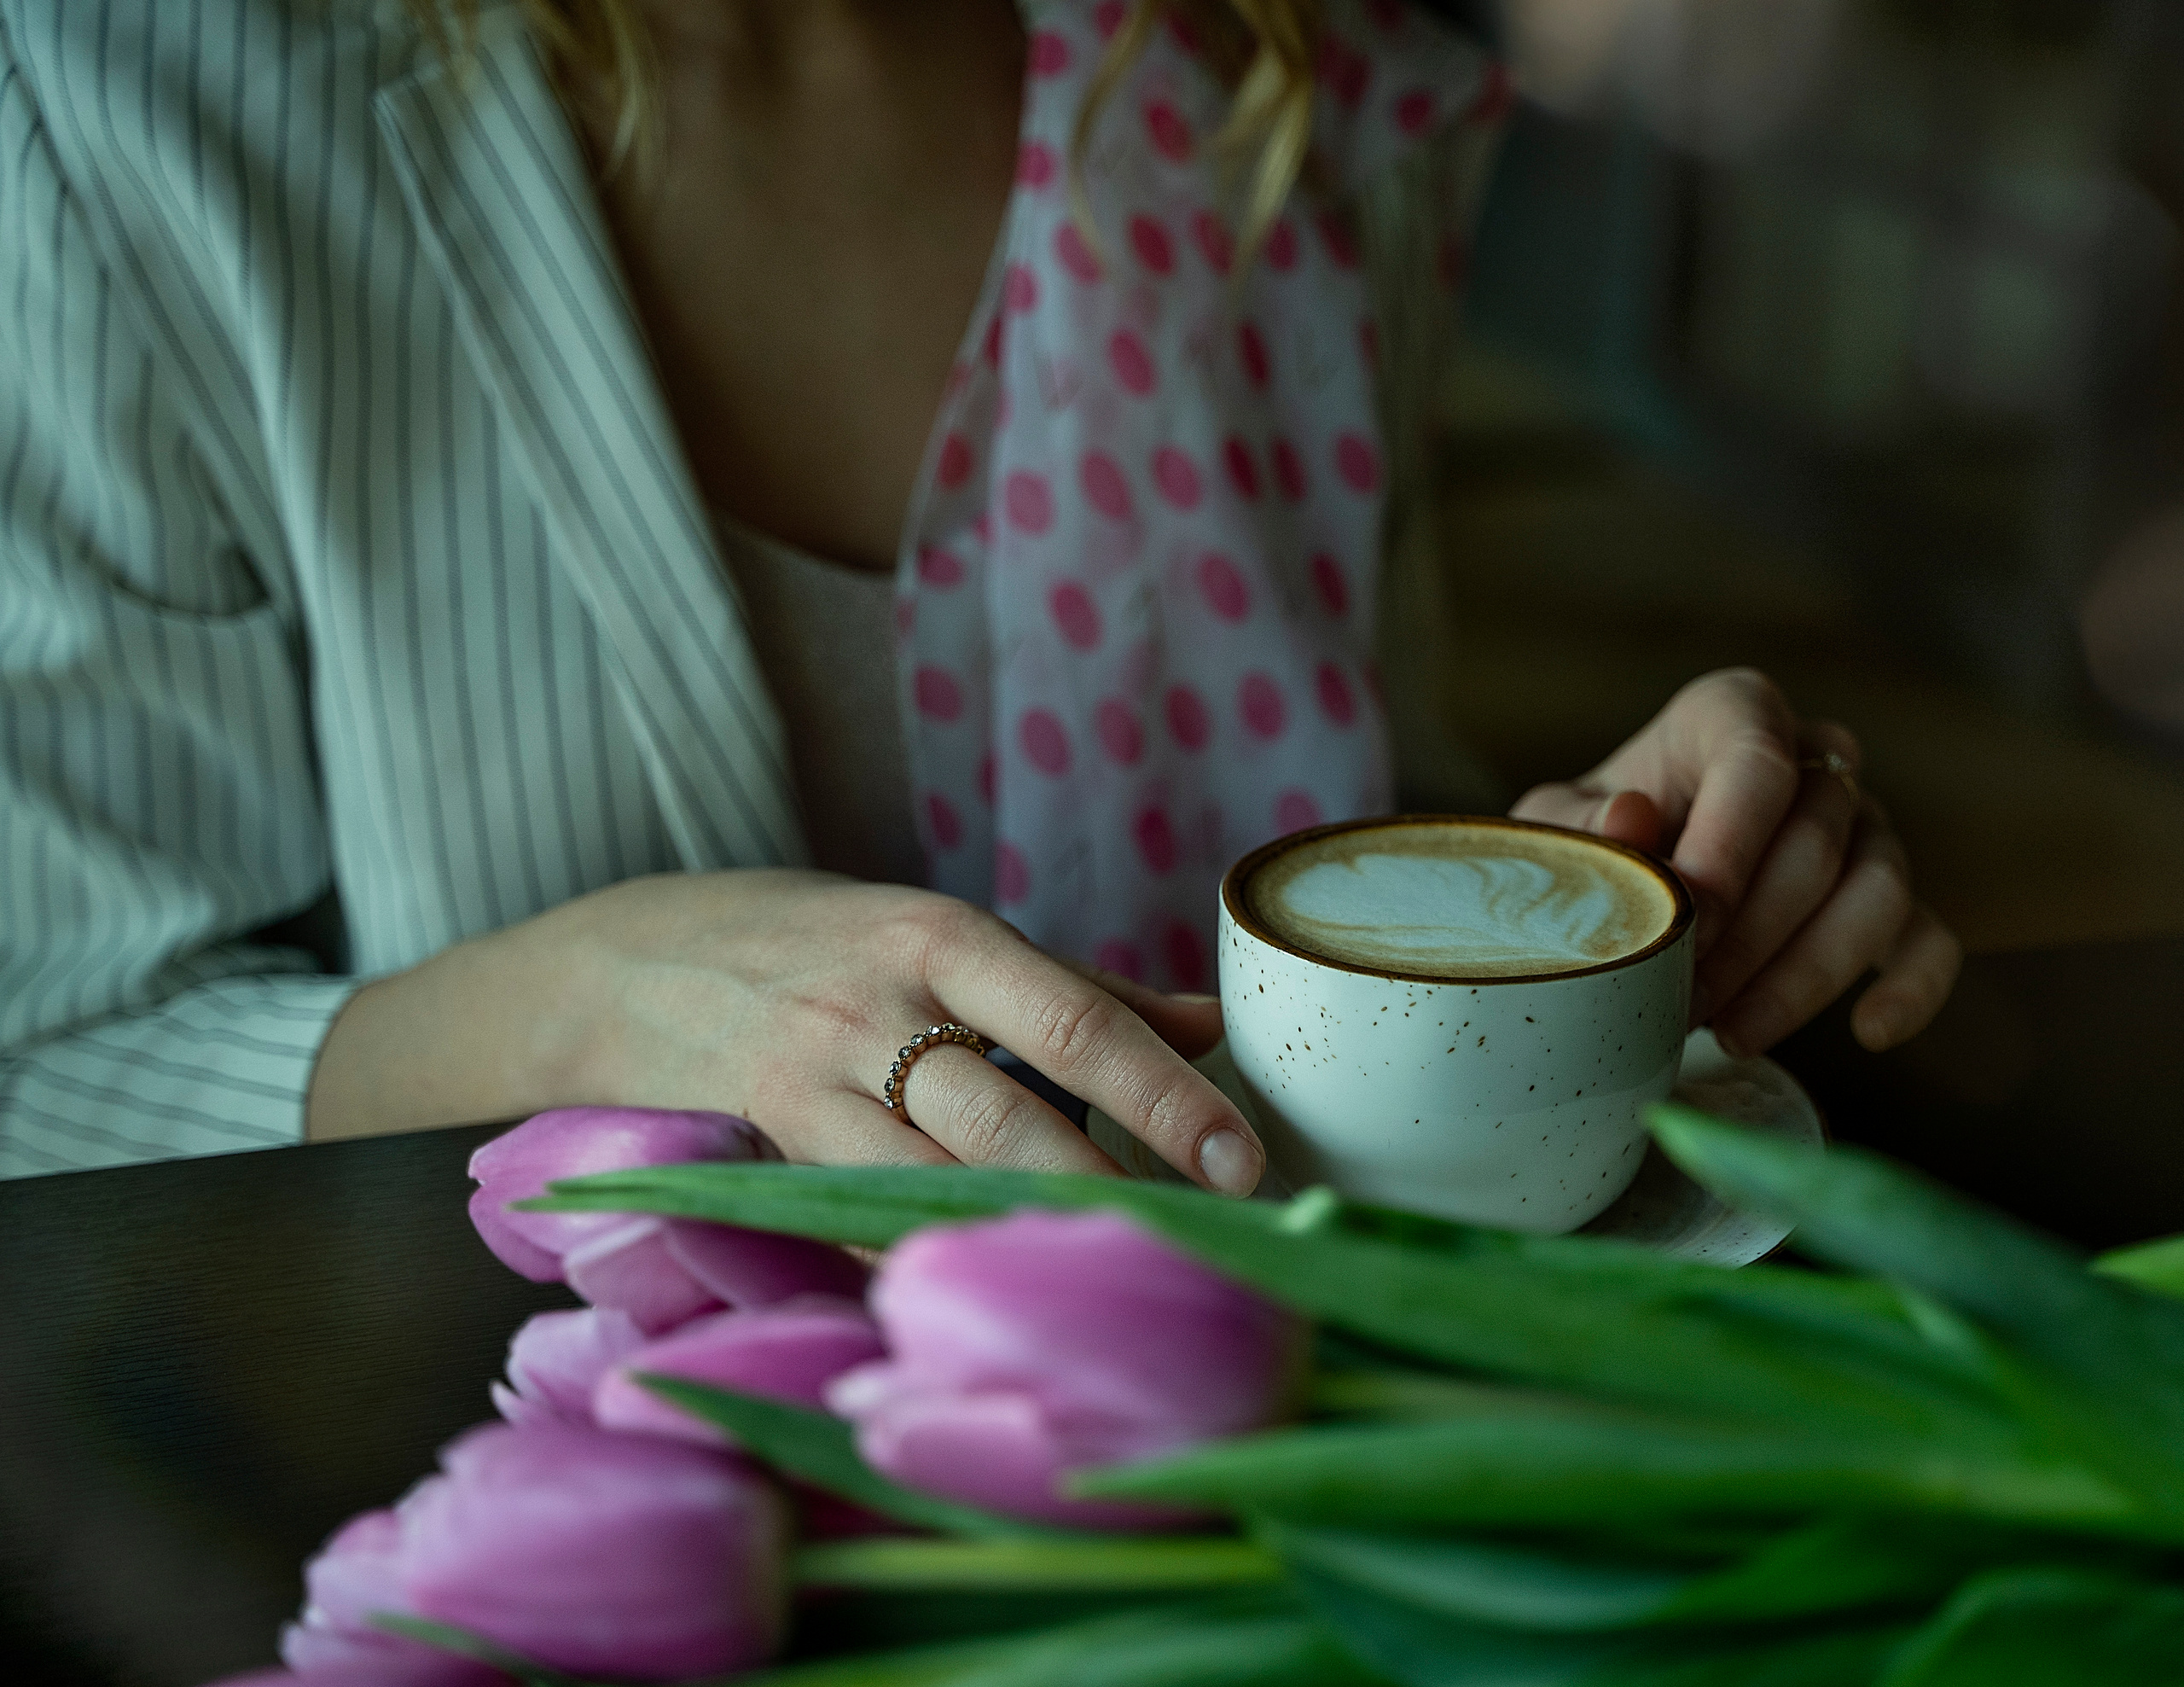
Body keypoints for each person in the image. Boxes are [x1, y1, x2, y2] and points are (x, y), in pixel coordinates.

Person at [0, 0, 1959, 1185]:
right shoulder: (122, 125)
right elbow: (50, 1060)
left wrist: (1587, 904)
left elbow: (1337, 820)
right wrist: (565, 1007)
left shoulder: (1288, 93)